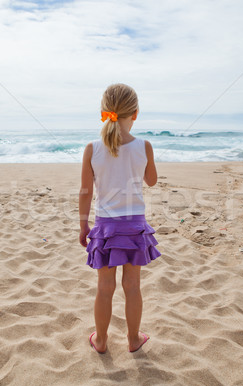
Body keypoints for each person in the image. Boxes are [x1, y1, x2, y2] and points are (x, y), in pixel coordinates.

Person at [79, 83, 161, 354]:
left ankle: (101, 341)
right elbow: (151, 181)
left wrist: (83, 225)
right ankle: (133, 339)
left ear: (104, 112)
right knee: (133, 286)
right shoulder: (144, 146)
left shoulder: (92, 148)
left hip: (106, 227)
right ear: (135, 114)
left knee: (104, 288)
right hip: (135, 226)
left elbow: (86, 191)